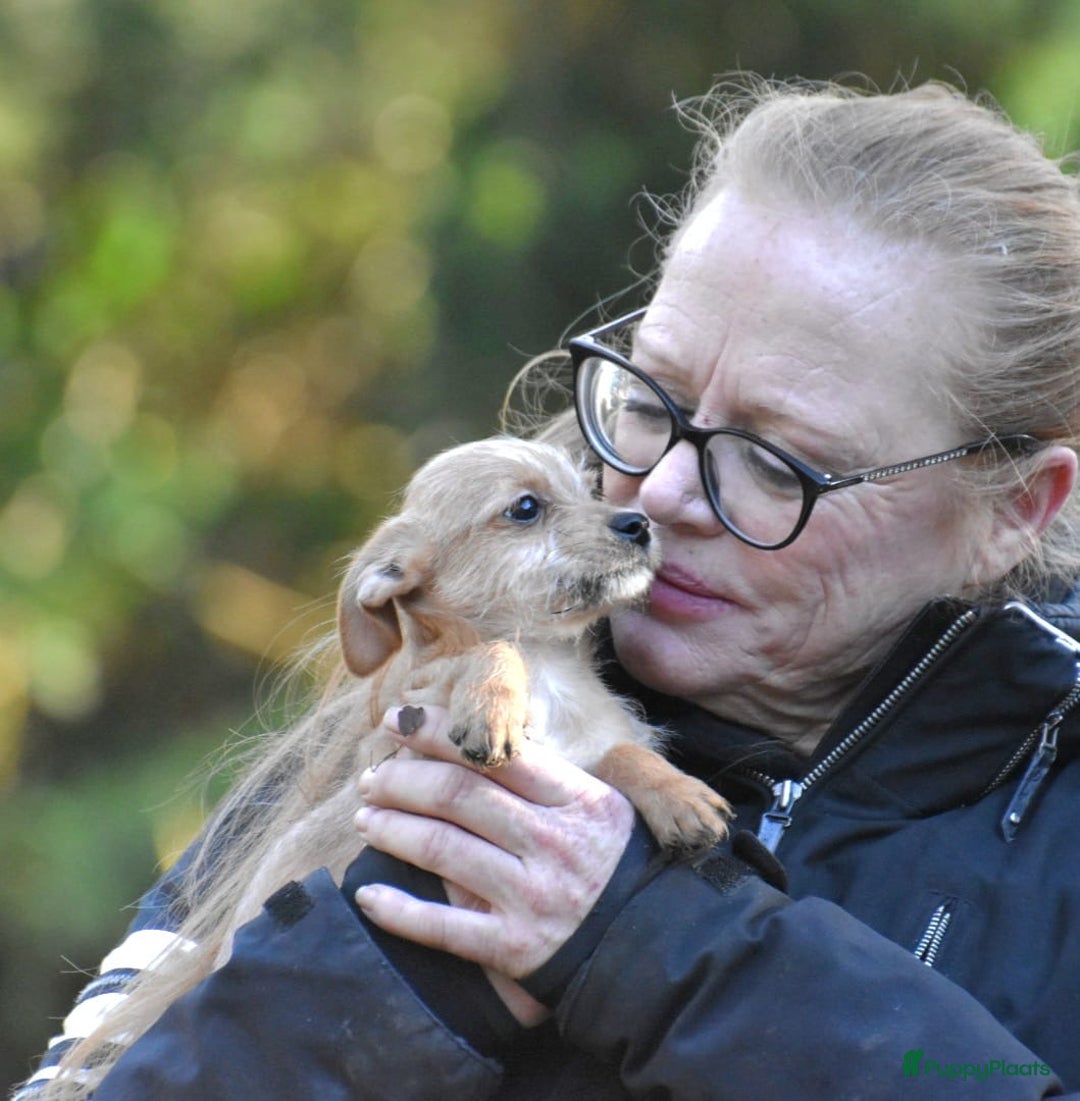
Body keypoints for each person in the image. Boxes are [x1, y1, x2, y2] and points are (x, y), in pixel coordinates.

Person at [16, 74, 1080, 1099]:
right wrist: (392, 979)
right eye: (654, 400)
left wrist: (663, 952)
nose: (659, 493)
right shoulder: (434, 696)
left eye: (778, 461)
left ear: (1014, 510)